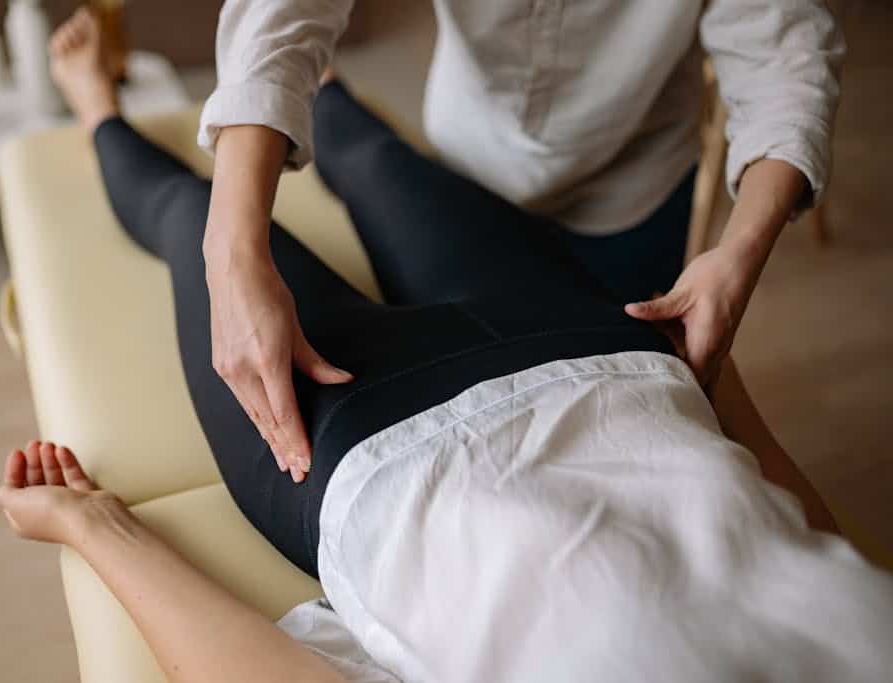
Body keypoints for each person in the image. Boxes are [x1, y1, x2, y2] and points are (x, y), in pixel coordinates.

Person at [4, 10, 893, 682]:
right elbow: (809, 543)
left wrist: (95, 525)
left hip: (379, 450)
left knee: (187, 217)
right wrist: (715, 398)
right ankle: (324, 95)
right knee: (373, 158)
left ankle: (98, 108)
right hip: (604, 363)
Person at [199, 0, 846, 479]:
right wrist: (229, 250)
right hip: (468, 157)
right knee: (368, 157)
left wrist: (739, 258)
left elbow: (783, 54)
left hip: (634, 187)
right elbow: (281, 16)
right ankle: (334, 98)